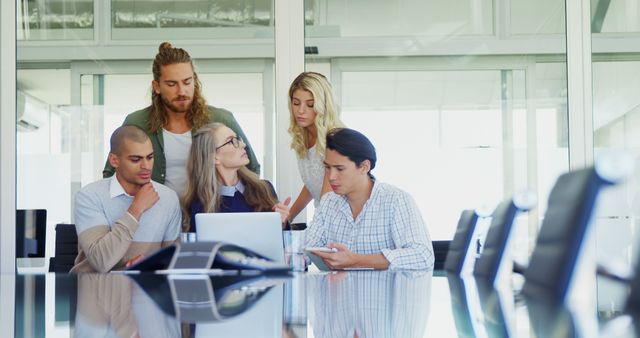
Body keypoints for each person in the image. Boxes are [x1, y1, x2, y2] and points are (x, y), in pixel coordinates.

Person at [103, 42, 260, 196]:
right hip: (153, 215)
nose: (181, 91)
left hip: (208, 214)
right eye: (172, 84)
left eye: (187, 82)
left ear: (195, 80)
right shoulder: (137, 123)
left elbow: (252, 168)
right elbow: (111, 175)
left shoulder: (221, 120)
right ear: (156, 86)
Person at [305, 128, 434, 270]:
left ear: (364, 167)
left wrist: (356, 260)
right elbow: (308, 247)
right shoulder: (328, 202)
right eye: (328, 168)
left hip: (384, 291)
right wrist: (285, 224)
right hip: (339, 291)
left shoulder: (396, 200)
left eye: (340, 169)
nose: (331, 177)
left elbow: (422, 256)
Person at [71, 125, 181, 273]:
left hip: (145, 289)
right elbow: (101, 261)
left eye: (150, 157)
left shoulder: (168, 198)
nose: (146, 166)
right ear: (114, 160)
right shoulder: (89, 197)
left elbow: (173, 262)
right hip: (96, 291)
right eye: (136, 159)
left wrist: (149, 266)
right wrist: (136, 210)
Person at [182, 122, 290, 232]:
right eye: (230, 141)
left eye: (237, 139)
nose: (243, 145)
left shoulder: (264, 189)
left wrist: (282, 223)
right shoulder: (200, 205)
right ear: (214, 157)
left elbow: (280, 242)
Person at [287, 72, 345, 222]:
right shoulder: (303, 137)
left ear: (322, 106)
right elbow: (313, 183)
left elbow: (328, 198)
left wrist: (315, 230)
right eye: (296, 103)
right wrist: (289, 216)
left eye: (310, 105)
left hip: (341, 219)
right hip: (325, 216)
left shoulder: (334, 140)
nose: (301, 110)